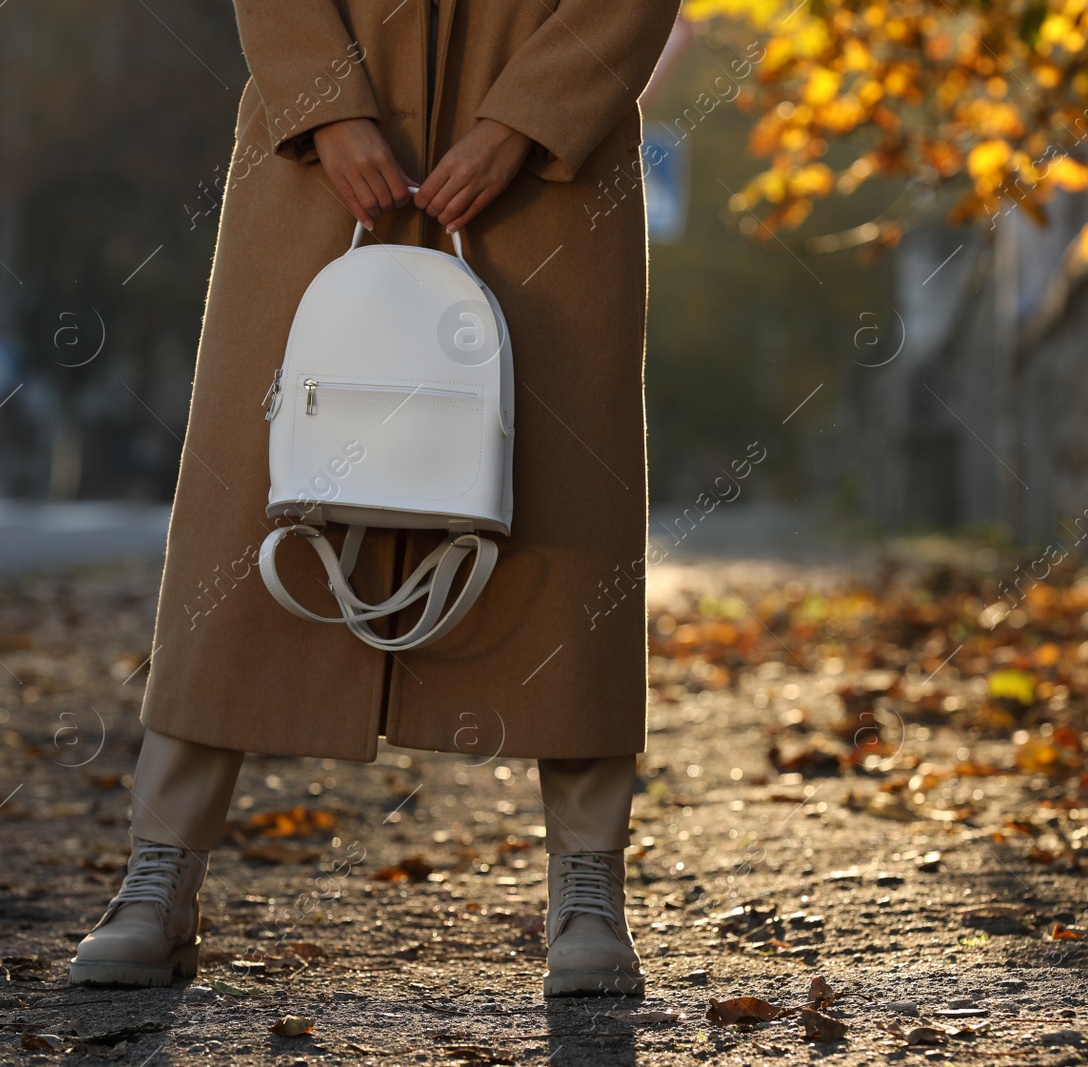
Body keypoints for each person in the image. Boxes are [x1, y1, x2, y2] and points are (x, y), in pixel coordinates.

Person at [69, 0, 680, 997]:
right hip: (323, 154)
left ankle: (587, 884)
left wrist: (524, 120)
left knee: (567, 515)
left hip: (548, 168)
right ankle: (160, 873)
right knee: (250, 505)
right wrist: (326, 105)